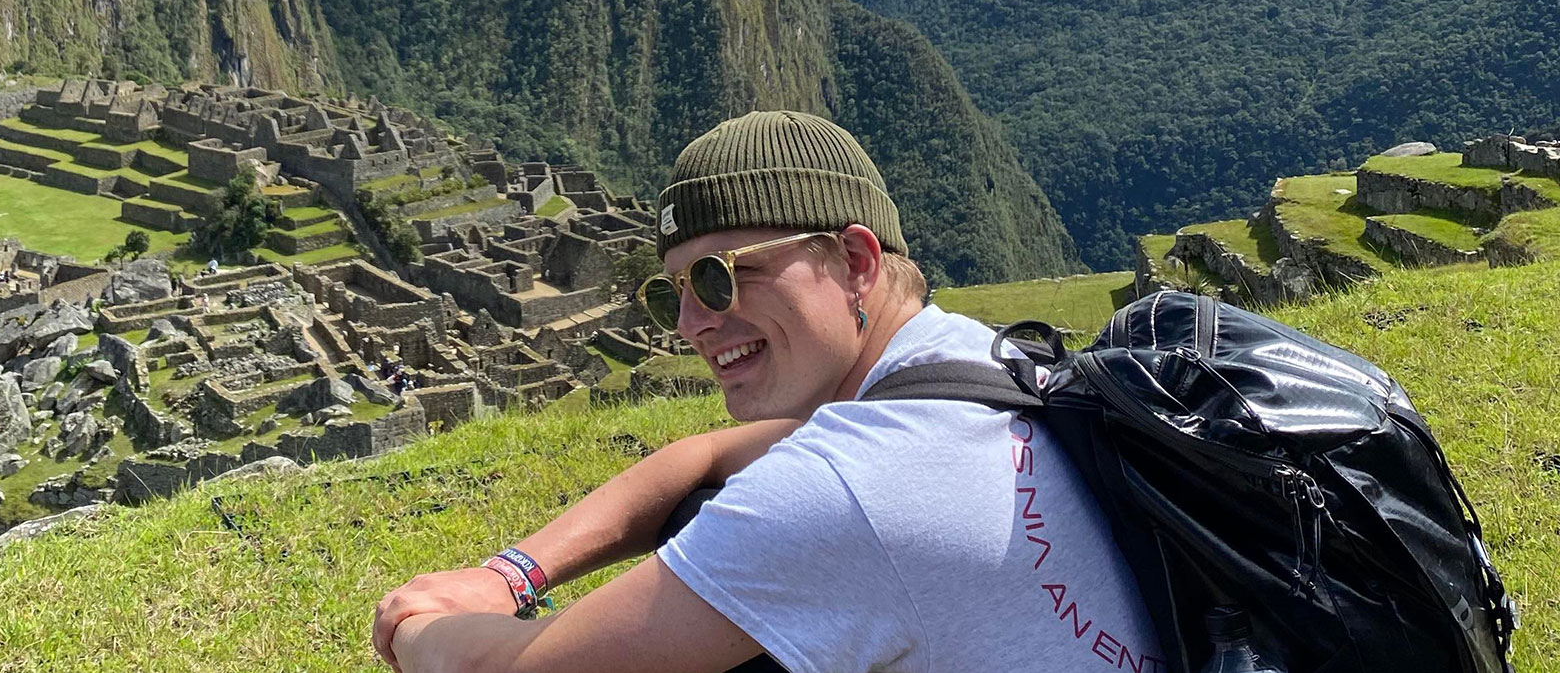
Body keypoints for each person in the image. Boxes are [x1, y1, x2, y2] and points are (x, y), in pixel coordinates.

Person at [373, 110, 1162, 673]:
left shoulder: (851, 487)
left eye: (723, 276)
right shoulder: (973, 364)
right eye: (672, 290)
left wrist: (420, 627)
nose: (688, 323)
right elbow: (701, 455)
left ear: (854, 260)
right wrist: (511, 575)